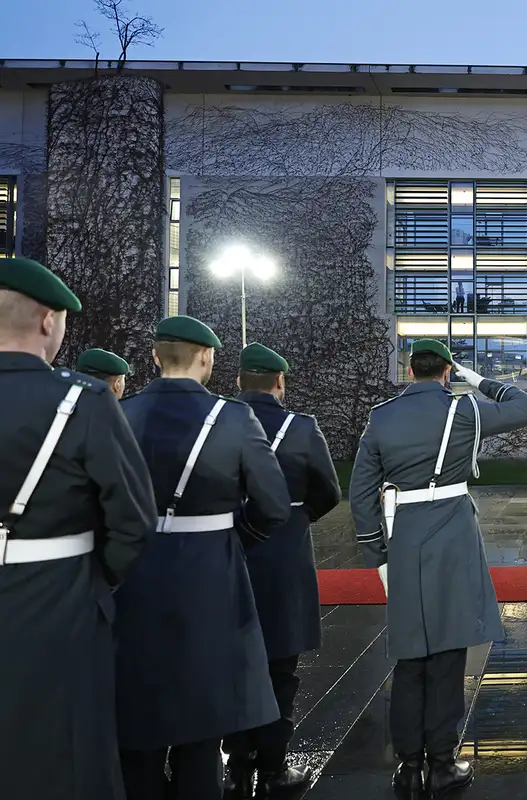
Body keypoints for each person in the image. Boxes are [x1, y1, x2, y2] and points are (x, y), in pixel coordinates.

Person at [349, 339, 527, 799]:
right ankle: (441, 762)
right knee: (449, 651)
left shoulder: (381, 417)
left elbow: (361, 494)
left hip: (404, 537)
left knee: (409, 654)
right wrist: (477, 379)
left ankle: (409, 766)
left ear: (409, 370)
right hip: (453, 535)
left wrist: (377, 554)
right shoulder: (465, 410)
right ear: (447, 371)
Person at [0, 257, 157, 800]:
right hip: (58, 595)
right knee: (66, 750)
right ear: (48, 321)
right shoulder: (80, 400)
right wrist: (94, 580)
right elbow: (133, 519)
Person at [115, 316, 291, 800]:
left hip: (133, 570)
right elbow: (274, 505)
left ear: (155, 356)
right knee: (204, 711)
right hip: (210, 571)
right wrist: (235, 540)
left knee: (138, 710)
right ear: (208, 357)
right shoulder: (233, 417)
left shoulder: (119, 413)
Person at [223, 344, 342, 798]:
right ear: (280, 382)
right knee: (280, 670)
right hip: (284, 558)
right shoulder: (301, 428)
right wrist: (296, 520)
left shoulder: (220, 422)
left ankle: (236, 767)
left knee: (234, 665)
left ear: (239, 381)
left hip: (229, 551)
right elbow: (328, 491)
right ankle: (273, 767)